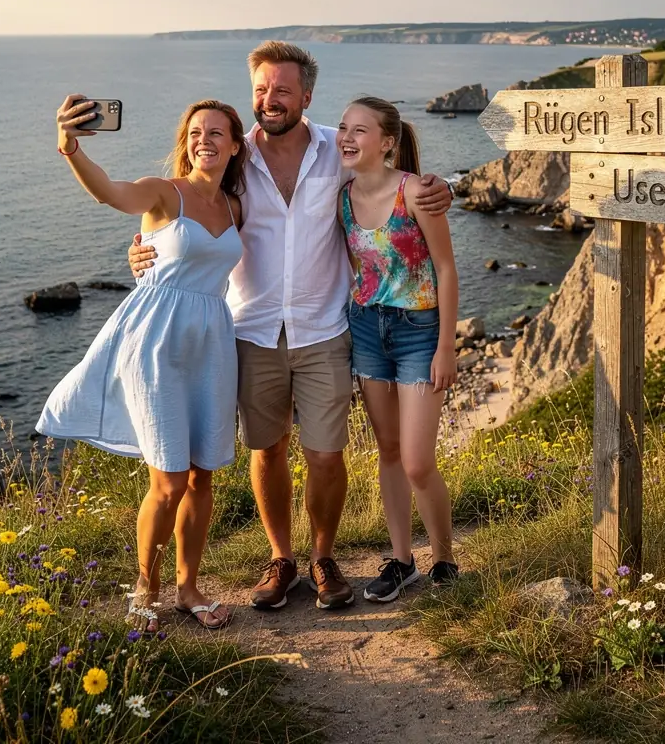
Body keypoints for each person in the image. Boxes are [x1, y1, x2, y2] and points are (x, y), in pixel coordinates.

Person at [128, 41, 453, 610]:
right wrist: (140, 250)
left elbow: (390, 180)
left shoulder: (338, 149)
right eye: (260, 89)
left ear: (305, 95)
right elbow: (181, 210)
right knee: (267, 452)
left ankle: (323, 557)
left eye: (282, 90)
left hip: (325, 328)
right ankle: (281, 558)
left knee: (327, 456)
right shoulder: (233, 157)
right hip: (250, 329)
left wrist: (440, 185)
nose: (269, 100)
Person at [37, 95, 247, 631]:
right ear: (187, 142)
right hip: (155, 343)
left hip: (212, 345)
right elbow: (111, 193)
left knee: (203, 478)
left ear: (235, 145)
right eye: (196, 132)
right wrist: (70, 149)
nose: (205, 140)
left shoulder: (235, 206)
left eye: (217, 133)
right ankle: (144, 588)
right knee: (169, 481)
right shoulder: (163, 193)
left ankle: (189, 587)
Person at [337, 97, 459, 602]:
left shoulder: (417, 194)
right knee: (387, 451)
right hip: (366, 328)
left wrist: (446, 347)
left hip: (418, 332)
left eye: (359, 130)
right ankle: (402, 560)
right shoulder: (341, 198)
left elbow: (447, 270)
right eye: (343, 128)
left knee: (416, 461)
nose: (346, 137)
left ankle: (446, 558)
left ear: (387, 142)